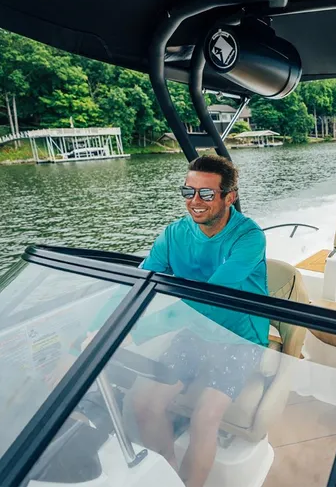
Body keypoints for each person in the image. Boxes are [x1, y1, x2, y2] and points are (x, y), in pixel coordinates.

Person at [87, 154, 269, 487]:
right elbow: (138, 284)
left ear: (229, 197)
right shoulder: (174, 235)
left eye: (206, 194)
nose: (194, 202)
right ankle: (170, 477)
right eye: (188, 192)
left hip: (239, 339)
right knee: (143, 403)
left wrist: (134, 334)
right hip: (195, 333)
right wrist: (97, 329)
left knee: (204, 418)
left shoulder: (249, 237)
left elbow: (209, 299)